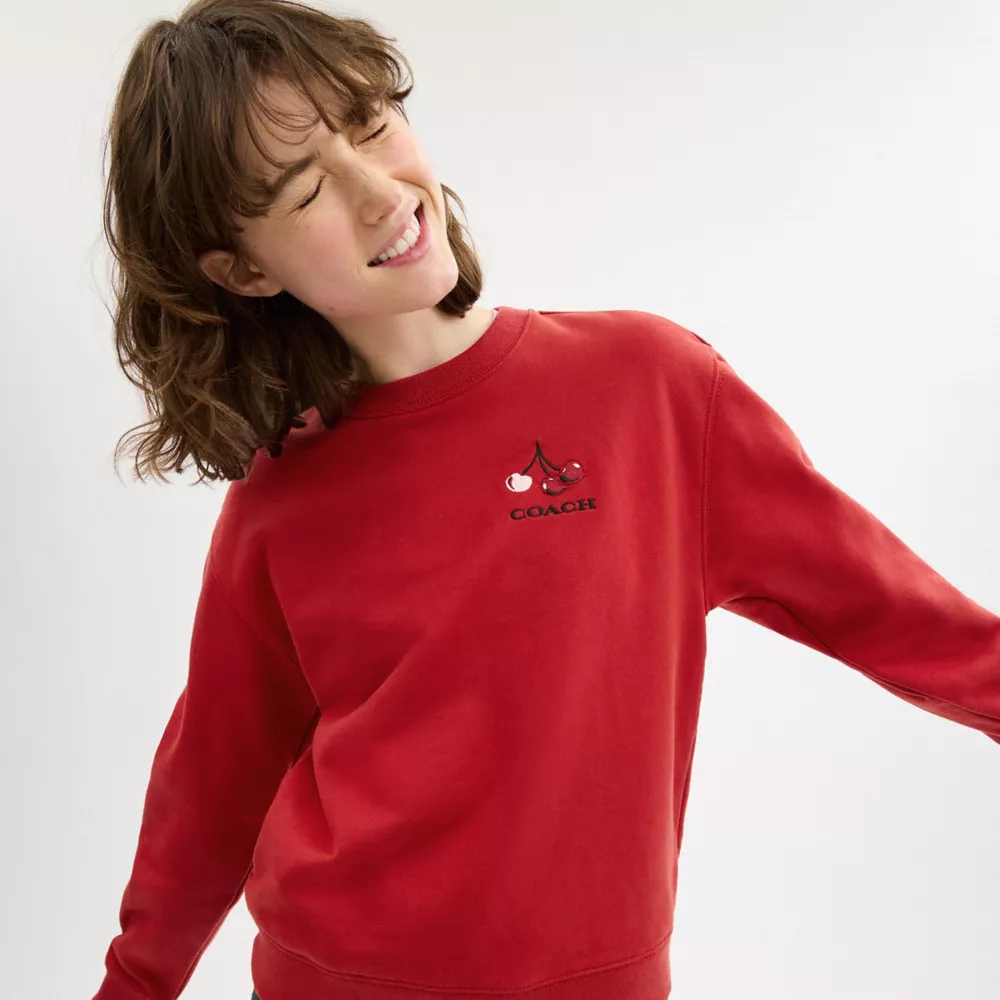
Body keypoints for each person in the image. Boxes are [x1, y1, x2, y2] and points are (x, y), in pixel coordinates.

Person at [91, 1, 1000, 999]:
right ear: (243, 268)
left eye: (370, 124)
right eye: (306, 189)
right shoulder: (281, 498)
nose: (379, 194)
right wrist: (135, 983)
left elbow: (882, 603)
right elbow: (211, 783)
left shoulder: (648, 388)